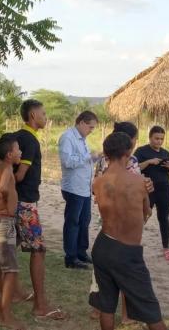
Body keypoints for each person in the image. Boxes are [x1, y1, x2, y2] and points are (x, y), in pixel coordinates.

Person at [0, 99, 65, 320]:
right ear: (33, 116)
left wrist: (3, 166)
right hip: (25, 204)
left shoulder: (15, 136)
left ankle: (16, 293)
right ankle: (40, 305)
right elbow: (20, 175)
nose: (46, 116)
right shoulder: (29, 141)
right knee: (38, 250)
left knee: (13, 246)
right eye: (43, 113)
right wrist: (9, 175)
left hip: (16, 204)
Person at [90, 132, 167, 330]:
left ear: (106, 154)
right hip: (127, 252)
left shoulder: (97, 182)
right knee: (151, 311)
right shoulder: (139, 182)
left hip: (103, 245)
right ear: (128, 152)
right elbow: (146, 214)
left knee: (106, 305)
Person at [0, 134, 26, 330]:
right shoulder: (8, 169)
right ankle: (5, 316)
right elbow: (2, 187)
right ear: (10, 155)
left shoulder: (0, 166)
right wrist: (3, 200)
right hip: (3, 223)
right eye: (18, 149)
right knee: (10, 271)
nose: (21, 152)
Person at [58, 111, 98, 269]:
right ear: (81, 122)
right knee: (73, 222)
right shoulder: (68, 137)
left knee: (84, 221)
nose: (91, 130)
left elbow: (83, 161)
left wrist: (94, 158)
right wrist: (88, 158)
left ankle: (81, 252)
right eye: (90, 127)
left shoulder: (82, 139)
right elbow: (67, 161)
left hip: (84, 187)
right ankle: (71, 257)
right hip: (74, 187)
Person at [135, 126, 169, 260]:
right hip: (148, 189)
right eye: (156, 138)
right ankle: (133, 244)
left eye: (161, 139)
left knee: (163, 218)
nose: (159, 141)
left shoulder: (165, 153)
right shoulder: (141, 151)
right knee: (142, 216)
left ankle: (166, 247)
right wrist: (149, 162)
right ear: (150, 137)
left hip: (165, 190)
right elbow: (134, 167)